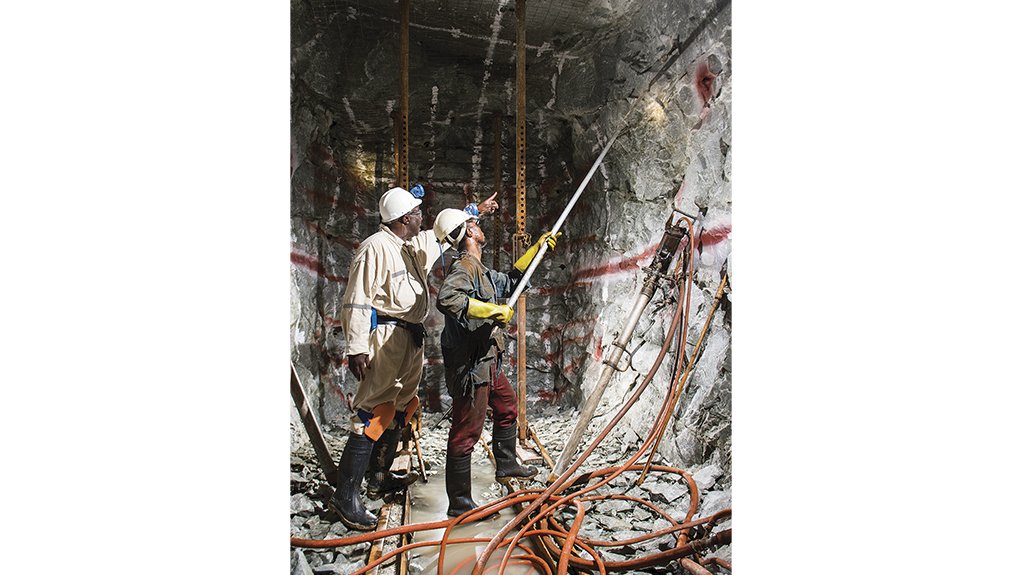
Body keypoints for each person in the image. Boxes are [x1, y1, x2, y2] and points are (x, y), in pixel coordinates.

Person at [333, 187, 496, 531]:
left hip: (410, 338)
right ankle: (345, 497)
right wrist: (357, 346)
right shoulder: (375, 248)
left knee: (402, 406)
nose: (423, 217)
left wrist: (474, 212)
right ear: (405, 218)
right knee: (373, 409)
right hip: (386, 338)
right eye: (418, 213)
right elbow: (357, 300)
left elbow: (443, 235)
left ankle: (379, 476)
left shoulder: (409, 246)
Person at [433, 208, 558, 517]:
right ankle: (459, 504)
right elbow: (448, 299)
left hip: (488, 359)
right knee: (466, 432)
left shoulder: (480, 269)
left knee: (506, 407)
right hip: (471, 365)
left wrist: (536, 252)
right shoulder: (463, 267)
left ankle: (506, 464)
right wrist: (491, 312)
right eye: (474, 224)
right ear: (469, 234)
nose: (479, 227)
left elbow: (512, 281)